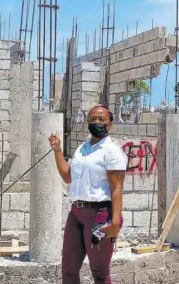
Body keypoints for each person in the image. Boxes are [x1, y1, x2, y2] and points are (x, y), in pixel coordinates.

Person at [48, 105, 128, 284]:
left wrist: (114, 223)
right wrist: (57, 150)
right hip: (76, 214)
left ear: (110, 123)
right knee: (68, 271)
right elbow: (68, 177)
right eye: (92, 119)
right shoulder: (82, 148)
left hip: (100, 215)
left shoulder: (112, 151)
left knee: (99, 273)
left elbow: (116, 189)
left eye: (101, 119)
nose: (96, 122)